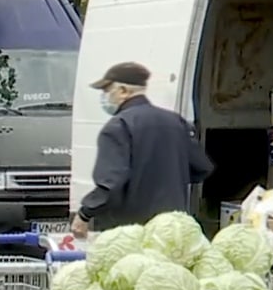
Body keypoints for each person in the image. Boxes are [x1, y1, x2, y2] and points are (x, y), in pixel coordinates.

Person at [71, 61, 215, 236]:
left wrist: (84, 214)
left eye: (108, 91)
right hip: (173, 231)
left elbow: (110, 185)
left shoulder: (119, 126)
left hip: (131, 233)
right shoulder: (176, 121)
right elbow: (203, 168)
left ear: (123, 91)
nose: (106, 97)